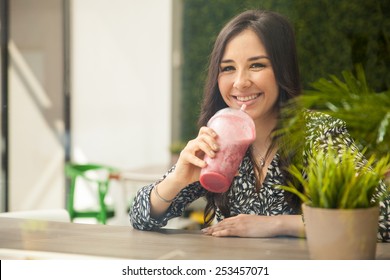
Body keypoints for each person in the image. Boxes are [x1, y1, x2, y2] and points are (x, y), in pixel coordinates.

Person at [129, 10, 389, 241]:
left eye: (257, 65)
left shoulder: (318, 133)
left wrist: (275, 225)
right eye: (228, 68)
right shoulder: (220, 138)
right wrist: (177, 179)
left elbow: (383, 217)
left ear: (282, 70)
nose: (240, 82)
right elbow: (140, 217)